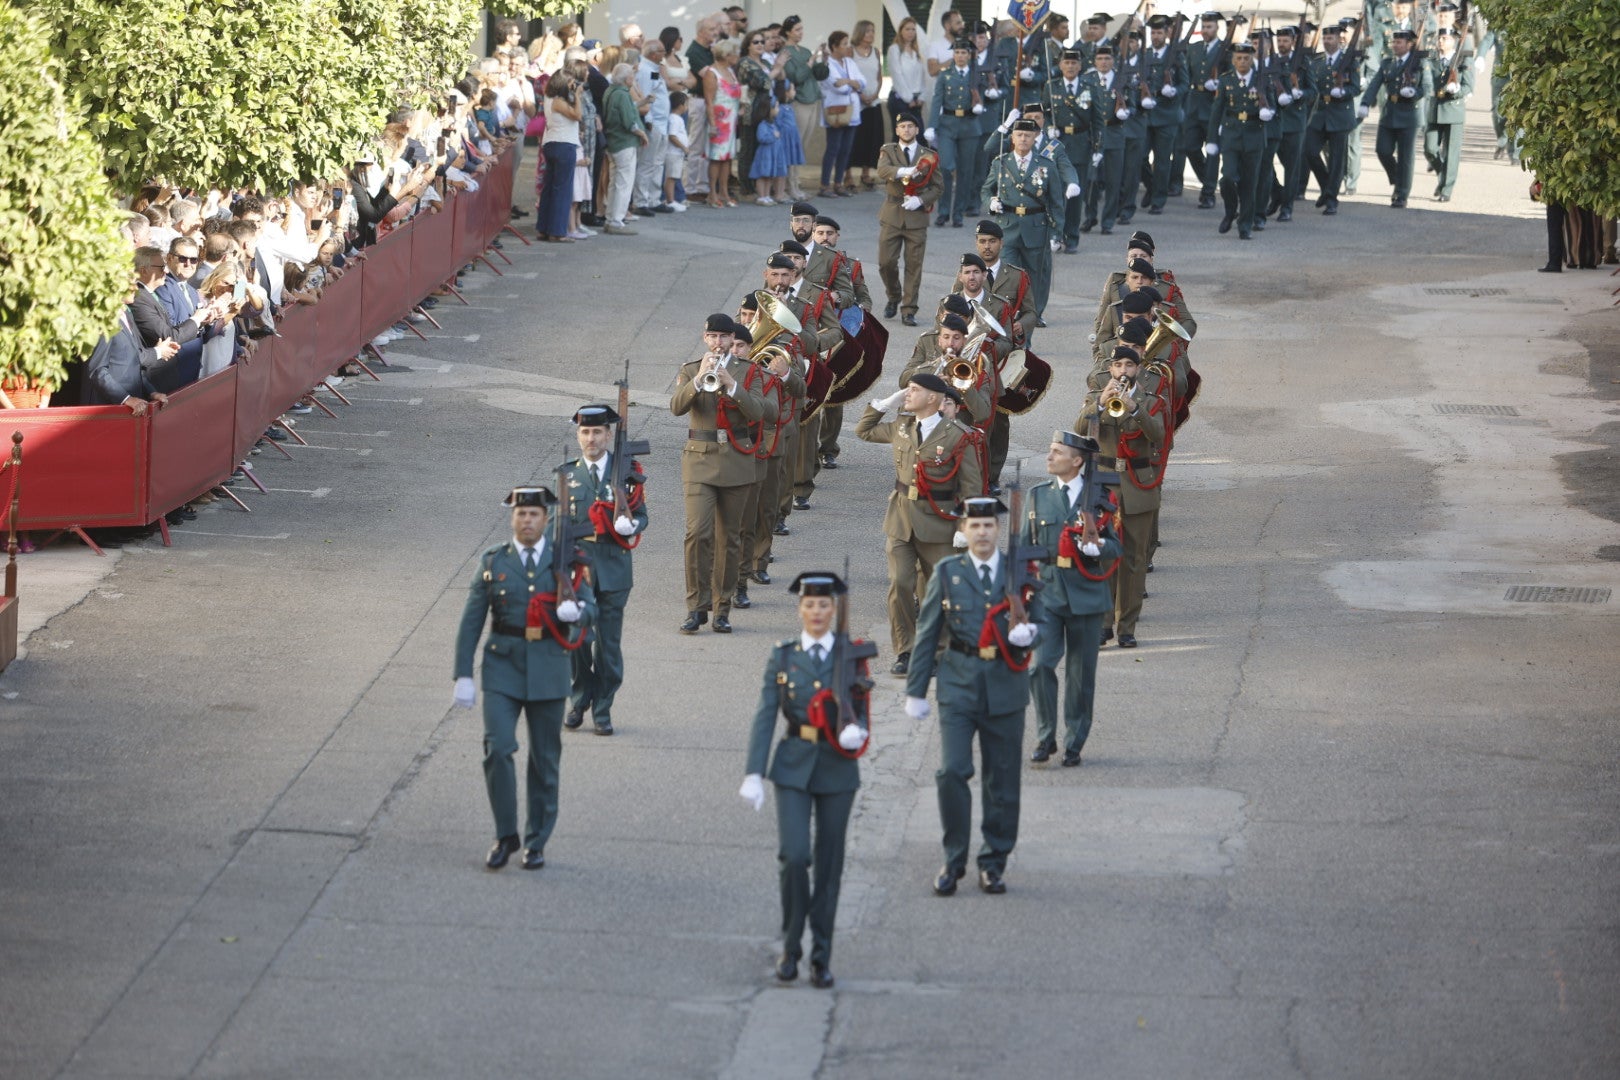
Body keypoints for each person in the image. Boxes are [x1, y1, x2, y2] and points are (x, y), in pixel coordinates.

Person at [453, 485, 598, 871]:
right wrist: (463, 674)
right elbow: (471, 623)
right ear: (512, 518)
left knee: (545, 759)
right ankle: (505, 835)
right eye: (521, 514)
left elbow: (592, 610)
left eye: (534, 514)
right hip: (503, 666)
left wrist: (577, 613)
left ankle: (536, 841)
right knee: (498, 748)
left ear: (546, 520)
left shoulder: (567, 561)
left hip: (549, 668)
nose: (527, 520)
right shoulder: (493, 562)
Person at [906, 495, 1039, 896]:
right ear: (962, 531)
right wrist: (916, 690)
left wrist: (1032, 633)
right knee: (952, 771)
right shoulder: (947, 572)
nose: (982, 532)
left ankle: (993, 862)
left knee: (1002, 778)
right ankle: (954, 859)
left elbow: (1046, 617)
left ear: (998, 531)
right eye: (974, 526)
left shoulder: (1021, 572)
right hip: (958, 684)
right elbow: (928, 632)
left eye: (988, 526)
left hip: (1005, 685)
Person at [740, 570, 867, 989]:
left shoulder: (851, 654)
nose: (816, 612)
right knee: (794, 856)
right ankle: (791, 945)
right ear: (799, 609)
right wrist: (754, 771)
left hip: (836, 767)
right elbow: (764, 715)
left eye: (824, 605)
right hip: (793, 764)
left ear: (834, 610)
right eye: (809, 605)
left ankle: (821, 955)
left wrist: (858, 732)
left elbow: (860, 708)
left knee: (829, 865)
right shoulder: (783, 656)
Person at [855, 371, 985, 676]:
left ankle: (938, 651)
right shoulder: (902, 426)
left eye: (914, 390)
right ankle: (906, 650)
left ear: (933, 398)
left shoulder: (957, 435)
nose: (907, 394)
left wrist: (966, 527)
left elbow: (971, 486)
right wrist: (885, 403)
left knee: (935, 594)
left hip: (938, 523)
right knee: (900, 583)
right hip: (900, 518)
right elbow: (863, 431)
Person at [1021, 432, 1122, 766]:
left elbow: (1117, 546)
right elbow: (1024, 550)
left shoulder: (1102, 499)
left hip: (1087, 595)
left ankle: (1074, 741)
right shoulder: (1038, 497)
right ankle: (1045, 735)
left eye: (1056, 451)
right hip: (1047, 594)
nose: (1049, 456)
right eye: (1050, 450)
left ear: (1077, 460)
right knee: (1040, 666)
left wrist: (1100, 548)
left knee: (1080, 676)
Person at [670, 315, 768, 634]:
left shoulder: (749, 371)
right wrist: (699, 379)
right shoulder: (690, 369)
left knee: (730, 537)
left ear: (731, 339)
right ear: (705, 338)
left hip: (736, 460)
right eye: (711, 336)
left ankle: (722, 607)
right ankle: (695, 606)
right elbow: (676, 407)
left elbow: (758, 412)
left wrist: (732, 385)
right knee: (697, 533)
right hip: (699, 459)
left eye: (723, 336)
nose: (717, 342)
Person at [558, 405, 647, 737]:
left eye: (597, 432)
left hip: (613, 570)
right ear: (578, 436)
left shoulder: (627, 471)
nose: (591, 438)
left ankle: (603, 708)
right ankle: (580, 698)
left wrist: (630, 524)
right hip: (579, 575)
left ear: (608, 435)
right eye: (585, 432)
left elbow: (643, 514)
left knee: (608, 648)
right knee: (577, 641)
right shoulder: (566, 475)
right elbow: (558, 526)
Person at [1076, 347, 1165, 647]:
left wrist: (1136, 409)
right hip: (1104, 485)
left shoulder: (1151, 401)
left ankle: (1127, 627)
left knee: (1134, 560)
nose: (1123, 370)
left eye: (1129, 365)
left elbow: (1159, 436)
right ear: (1110, 369)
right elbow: (1079, 432)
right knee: (1102, 555)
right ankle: (1103, 622)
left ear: (1138, 369)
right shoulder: (1095, 397)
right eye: (1117, 365)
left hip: (1137, 485)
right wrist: (1100, 406)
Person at [982, 118, 1060, 329]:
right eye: (1019, 135)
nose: (1023, 139)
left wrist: (1056, 234)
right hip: (1008, 226)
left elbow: (1056, 202)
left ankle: (1033, 314)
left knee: (1035, 276)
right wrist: (991, 202)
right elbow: (986, 189)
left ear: (1035, 137)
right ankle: (1004, 315)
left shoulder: (1045, 165)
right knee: (1006, 274)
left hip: (1036, 226)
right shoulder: (1001, 162)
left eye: (1027, 135)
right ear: (1013, 138)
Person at [876, 112, 942, 326]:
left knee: (914, 265)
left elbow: (938, 187)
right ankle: (894, 296)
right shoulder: (888, 150)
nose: (906, 130)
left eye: (910, 126)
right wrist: (905, 171)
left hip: (916, 216)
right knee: (886, 262)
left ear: (917, 130)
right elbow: (882, 170)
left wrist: (921, 201)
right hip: (893, 211)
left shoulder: (929, 155)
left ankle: (908, 309)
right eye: (902, 126)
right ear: (897, 130)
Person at [1358, 29, 1431, 209]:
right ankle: (1398, 178)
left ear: (1409, 45)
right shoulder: (1387, 63)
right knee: (1382, 150)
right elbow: (1375, 83)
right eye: (1394, 42)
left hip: (1409, 115)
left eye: (1399, 43)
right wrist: (1365, 103)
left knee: (1406, 156)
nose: (1395, 46)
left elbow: (1428, 87)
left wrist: (1415, 92)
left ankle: (1401, 193)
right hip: (1389, 112)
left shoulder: (1420, 63)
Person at [1203, 40, 1266, 239]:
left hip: (1254, 135)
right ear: (1233, 60)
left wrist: (1268, 111)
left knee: (1249, 183)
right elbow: (1216, 110)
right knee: (1228, 178)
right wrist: (1211, 139)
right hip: (1231, 135)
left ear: (1252, 59)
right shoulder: (1226, 80)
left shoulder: (1262, 79)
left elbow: (1272, 103)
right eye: (1238, 58)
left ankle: (1245, 225)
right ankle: (1231, 211)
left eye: (1246, 58)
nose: (1242, 62)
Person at [1302, 23, 1361, 216]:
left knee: (1337, 160)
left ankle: (1331, 199)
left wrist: (1343, 92)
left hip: (1340, 114)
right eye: (1325, 38)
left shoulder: (1350, 60)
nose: (1327, 42)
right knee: (1309, 150)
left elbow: (1356, 87)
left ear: (1339, 39)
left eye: (1331, 38)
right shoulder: (1317, 61)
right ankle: (1327, 187)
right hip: (1319, 115)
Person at [925, 39, 985, 228]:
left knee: (966, 171)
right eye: (957, 52)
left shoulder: (977, 75)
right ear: (953, 54)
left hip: (969, 126)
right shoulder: (945, 75)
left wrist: (980, 106)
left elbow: (986, 95)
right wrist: (931, 125)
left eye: (964, 53)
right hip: (948, 126)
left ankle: (958, 213)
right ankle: (943, 212)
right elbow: (937, 101)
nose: (960, 56)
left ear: (969, 55)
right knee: (945, 167)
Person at [1139, 15, 1190, 216]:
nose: (1155, 36)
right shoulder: (1146, 54)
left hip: (1167, 115)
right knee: (1140, 157)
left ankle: (1158, 200)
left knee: (1161, 161)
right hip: (1147, 113)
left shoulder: (1175, 55)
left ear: (1167, 34)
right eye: (1153, 32)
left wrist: (1174, 91)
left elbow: (1185, 84)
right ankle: (1152, 188)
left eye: (1159, 32)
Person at [1082, 45, 1130, 235]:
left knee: (1113, 180)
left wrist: (1125, 111)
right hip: (1094, 135)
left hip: (1114, 132)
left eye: (1107, 59)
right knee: (1091, 179)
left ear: (1113, 61)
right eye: (1100, 59)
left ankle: (1108, 221)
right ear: (1095, 61)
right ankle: (1090, 216)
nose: (1103, 62)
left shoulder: (1122, 79)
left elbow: (1131, 102)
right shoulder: (1087, 80)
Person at [781, 16, 830, 199]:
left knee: (802, 146)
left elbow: (819, 75)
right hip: (798, 102)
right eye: (797, 30)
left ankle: (795, 182)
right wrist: (811, 61)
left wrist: (823, 60)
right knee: (795, 145)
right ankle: (790, 185)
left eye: (802, 29)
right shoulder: (785, 52)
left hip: (812, 100)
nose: (801, 33)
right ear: (787, 32)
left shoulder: (805, 50)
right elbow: (796, 77)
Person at [1422, 28, 1471, 203]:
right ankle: (1443, 175)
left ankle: (1446, 189)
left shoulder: (1463, 60)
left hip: (1453, 111)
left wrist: (1457, 90)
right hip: (1435, 110)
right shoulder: (1432, 59)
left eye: (1445, 38)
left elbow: (1468, 86)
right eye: (1440, 38)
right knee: (1429, 149)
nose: (1441, 41)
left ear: (1454, 41)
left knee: (1451, 154)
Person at [817, 31, 867, 198]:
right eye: (844, 44)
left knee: (846, 149)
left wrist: (848, 82)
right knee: (833, 148)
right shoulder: (827, 64)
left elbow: (862, 83)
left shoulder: (850, 63)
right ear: (834, 46)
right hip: (836, 111)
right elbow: (837, 86)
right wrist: (851, 84)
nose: (848, 47)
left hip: (851, 112)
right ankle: (824, 185)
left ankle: (839, 183)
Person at [602, 63, 648, 234]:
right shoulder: (622, 94)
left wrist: (643, 101)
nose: (634, 79)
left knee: (615, 182)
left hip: (613, 142)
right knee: (624, 183)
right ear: (627, 78)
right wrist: (642, 134)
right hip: (624, 142)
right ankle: (616, 220)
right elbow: (629, 120)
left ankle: (611, 218)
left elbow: (624, 110)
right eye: (632, 77)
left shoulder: (612, 91)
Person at [538, 70, 584, 242]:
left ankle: (544, 228)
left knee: (549, 188)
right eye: (571, 82)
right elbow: (577, 115)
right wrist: (577, 96)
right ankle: (557, 232)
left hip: (552, 143)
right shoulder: (558, 100)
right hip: (564, 145)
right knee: (562, 190)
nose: (573, 85)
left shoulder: (549, 98)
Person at [704, 39, 744, 208]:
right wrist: (712, 124)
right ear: (727, 55)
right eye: (735, 52)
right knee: (716, 158)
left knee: (727, 159)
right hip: (719, 121)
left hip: (731, 120)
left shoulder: (730, 71)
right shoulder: (712, 73)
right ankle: (712, 193)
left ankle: (724, 192)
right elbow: (709, 100)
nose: (738, 56)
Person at [848, 20, 885, 189]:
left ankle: (866, 173)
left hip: (874, 102)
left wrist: (875, 94)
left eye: (873, 31)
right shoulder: (850, 52)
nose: (871, 34)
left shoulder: (876, 52)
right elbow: (848, 75)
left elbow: (879, 76)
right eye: (868, 31)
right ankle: (847, 175)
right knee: (854, 139)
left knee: (872, 138)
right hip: (856, 102)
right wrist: (861, 95)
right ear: (860, 32)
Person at [887, 17, 928, 137]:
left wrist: (922, 96)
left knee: (919, 137)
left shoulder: (917, 51)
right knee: (902, 138)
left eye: (913, 29)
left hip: (916, 100)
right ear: (900, 31)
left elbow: (922, 77)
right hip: (901, 100)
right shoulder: (894, 50)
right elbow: (897, 75)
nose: (911, 32)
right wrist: (909, 98)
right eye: (907, 29)